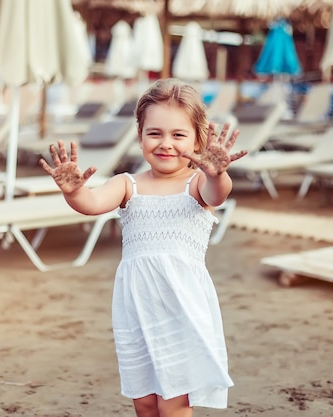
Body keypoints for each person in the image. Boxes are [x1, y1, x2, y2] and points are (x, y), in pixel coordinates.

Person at [40, 78, 247, 417]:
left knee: (174, 401)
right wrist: (74, 191)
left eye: (179, 135)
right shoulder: (127, 184)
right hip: (137, 307)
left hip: (181, 306)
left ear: (199, 139)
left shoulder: (196, 184)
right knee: (145, 402)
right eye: (155, 133)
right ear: (139, 137)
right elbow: (91, 203)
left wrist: (216, 173)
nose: (166, 143)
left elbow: (217, 193)